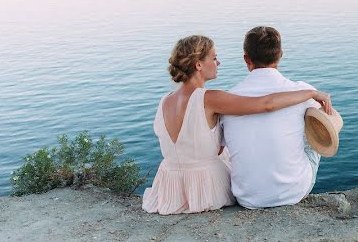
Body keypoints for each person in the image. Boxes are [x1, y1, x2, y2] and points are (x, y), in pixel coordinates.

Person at [142, 34, 332, 215]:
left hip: (169, 188)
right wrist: (309, 93)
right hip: (205, 189)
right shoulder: (210, 98)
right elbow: (265, 105)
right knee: (309, 135)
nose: (218, 63)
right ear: (198, 64)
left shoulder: (165, 101)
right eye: (214, 58)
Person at [221, 26, 333, 208]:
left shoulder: (229, 99)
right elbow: (327, 124)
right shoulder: (302, 90)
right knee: (315, 129)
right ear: (280, 55)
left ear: (246, 59)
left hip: (247, 197)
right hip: (294, 192)